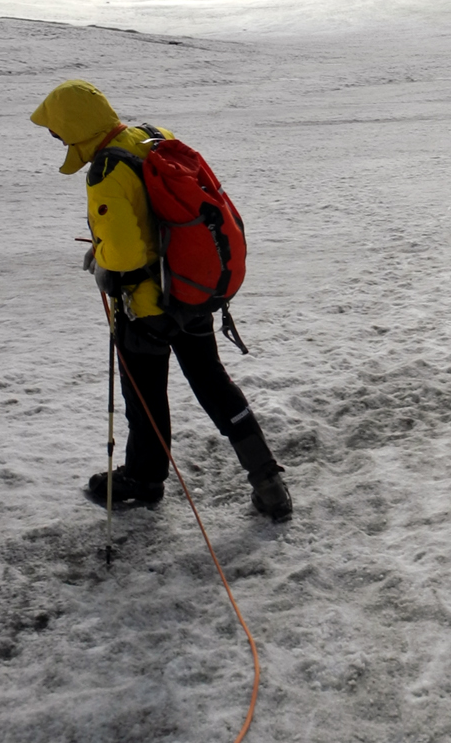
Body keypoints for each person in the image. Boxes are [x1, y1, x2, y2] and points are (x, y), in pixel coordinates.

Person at [29, 79, 290, 523]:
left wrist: (104, 264)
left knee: (144, 397)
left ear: (73, 126)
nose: (55, 136)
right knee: (213, 383)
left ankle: (144, 480)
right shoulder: (153, 136)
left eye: (56, 129)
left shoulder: (105, 170)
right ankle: (268, 480)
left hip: (147, 308)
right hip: (190, 290)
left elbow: (126, 258)